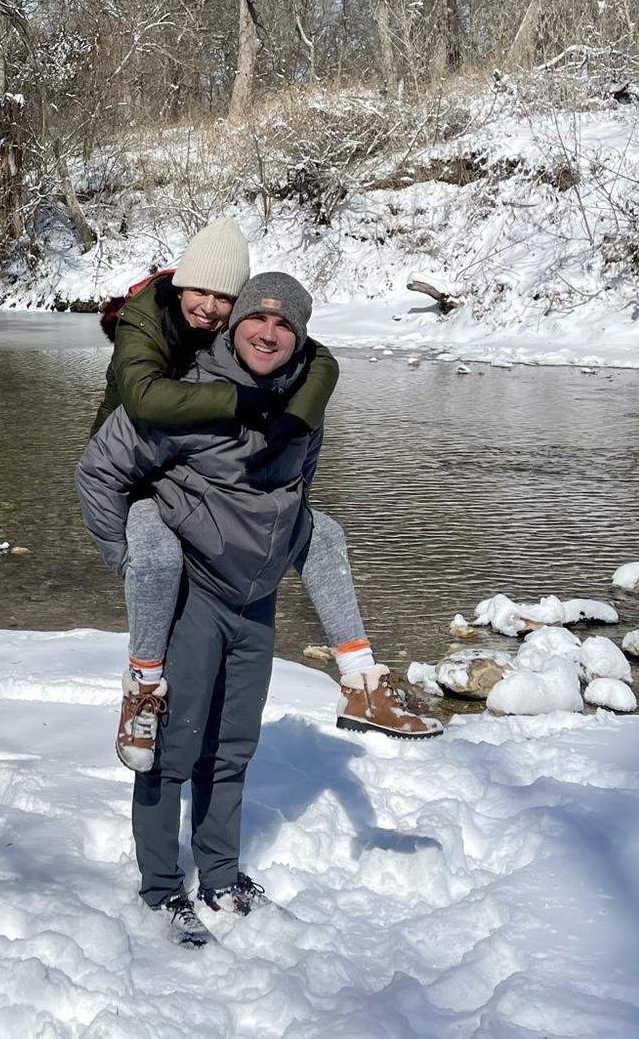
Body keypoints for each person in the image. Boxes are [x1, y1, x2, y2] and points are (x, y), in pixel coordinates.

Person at [91, 219, 438, 766]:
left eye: (224, 298)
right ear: (179, 285)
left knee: (322, 533)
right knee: (154, 557)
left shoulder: (262, 350)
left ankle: (361, 680)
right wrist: (123, 559)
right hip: (138, 469)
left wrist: (296, 423)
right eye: (200, 291)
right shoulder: (147, 321)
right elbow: (143, 403)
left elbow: (318, 361)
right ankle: (143, 687)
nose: (209, 308)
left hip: (192, 460)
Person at [77, 274, 355, 944]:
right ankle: (160, 887)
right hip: (192, 596)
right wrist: (132, 562)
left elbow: (299, 488)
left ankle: (221, 874)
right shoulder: (188, 396)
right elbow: (98, 473)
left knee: (232, 746)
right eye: (257, 318)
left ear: (301, 337)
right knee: (170, 747)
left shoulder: (302, 404)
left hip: (254, 601)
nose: (269, 333)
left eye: (285, 324)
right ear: (233, 326)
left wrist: (281, 549)